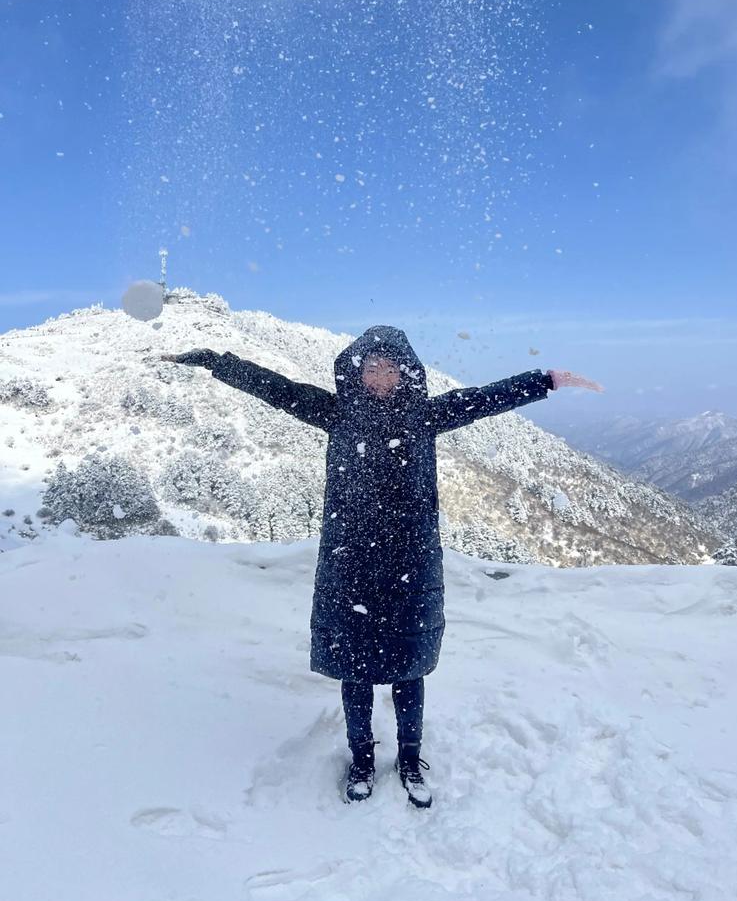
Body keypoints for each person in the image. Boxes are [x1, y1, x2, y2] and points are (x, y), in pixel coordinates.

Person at [162, 327, 603, 808]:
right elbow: (276, 389)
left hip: (409, 564)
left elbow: (484, 399)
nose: (379, 377)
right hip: (350, 563)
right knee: (356, 671)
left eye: (388, 368)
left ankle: (410, 759)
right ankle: (362, 759)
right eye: (371, 368)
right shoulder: (336, 412)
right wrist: (216, 361)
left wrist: (545, 381)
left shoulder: (423, 416)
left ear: (404, 373)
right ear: (357, 371)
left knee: (409, 670)